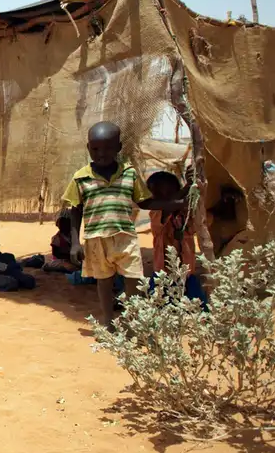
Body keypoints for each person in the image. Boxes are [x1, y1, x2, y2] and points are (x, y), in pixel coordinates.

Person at [62, 122, 184, 327]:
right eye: (95, 149)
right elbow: (76, 210)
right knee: (104, 280)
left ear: (118, 148)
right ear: (88, 148)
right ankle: (108, 322)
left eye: (108, 148)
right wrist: (75, 243)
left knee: (134, 278)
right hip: (96, 238)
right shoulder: (81, 177)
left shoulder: (129, 173)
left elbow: (145, 202)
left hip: (126, 237)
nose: (101, 154)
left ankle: (132, 321)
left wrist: (176, 204)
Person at [146, 171, 208, 304]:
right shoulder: (156, 213)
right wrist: (187, 188)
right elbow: (171, 205)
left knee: (196, 305)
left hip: (187, 272)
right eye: (158, 195)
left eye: (170, 193)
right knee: (160, 305)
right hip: (164, 273)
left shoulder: (185, 214)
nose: (163, 199)